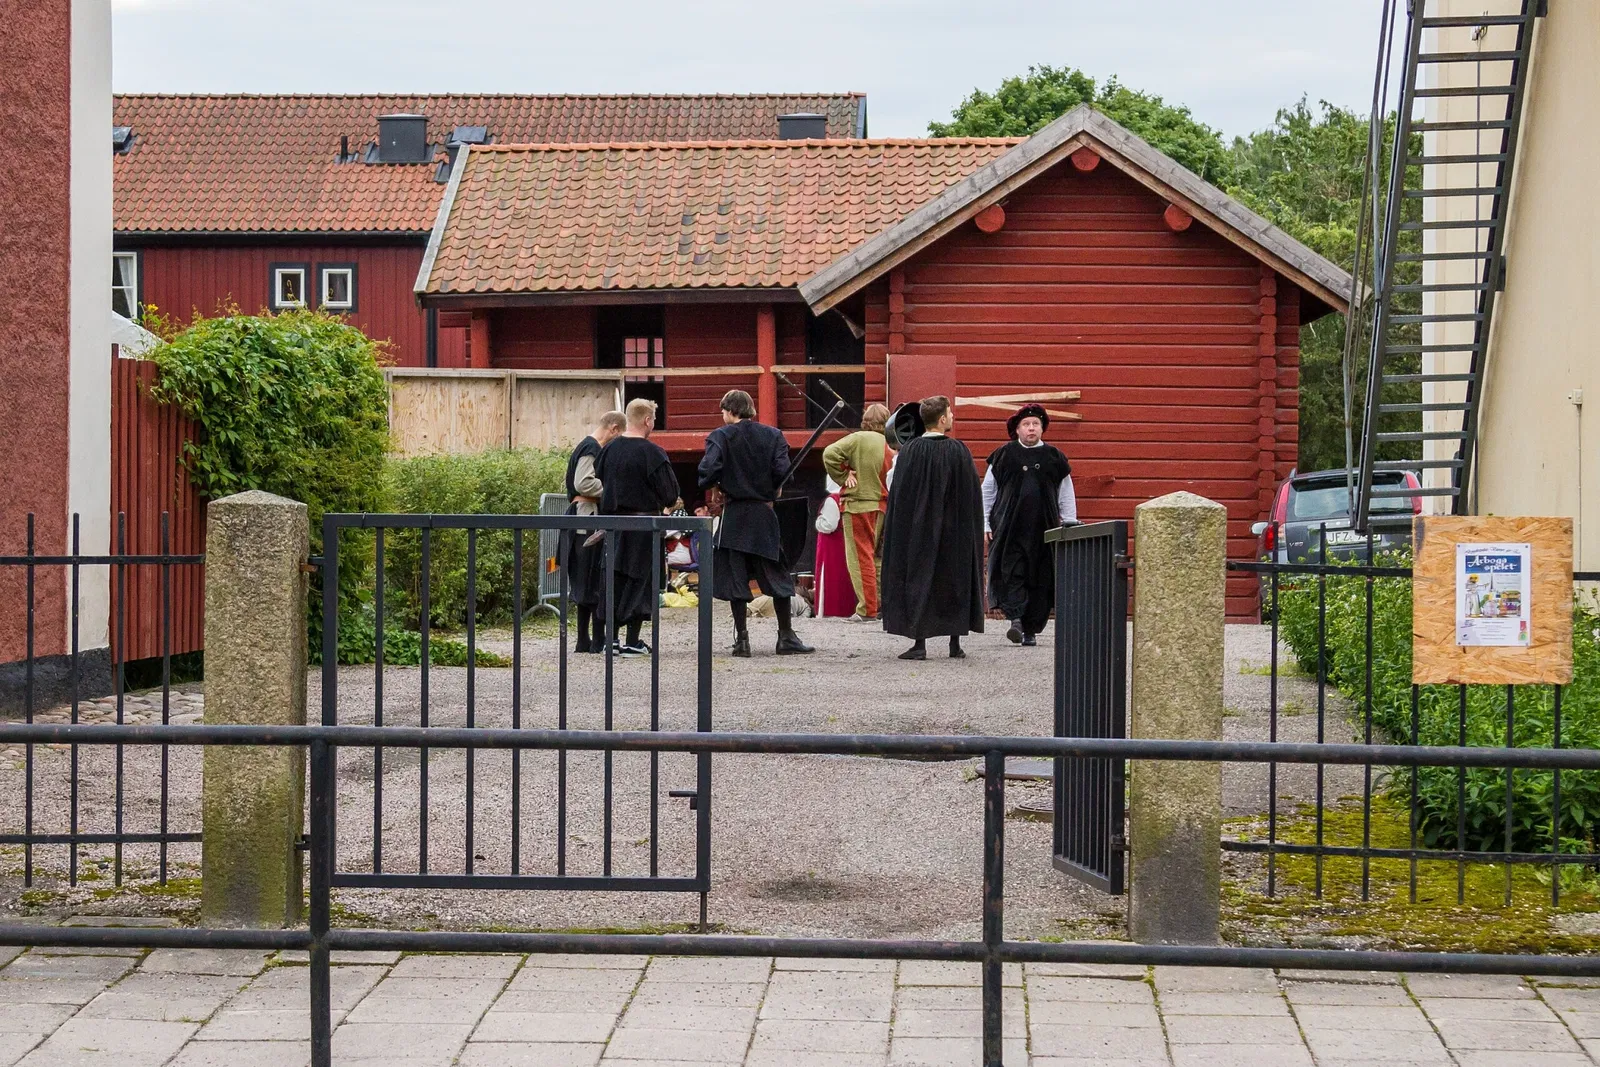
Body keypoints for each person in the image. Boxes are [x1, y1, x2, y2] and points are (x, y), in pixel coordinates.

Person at [697, 389, 813, 657]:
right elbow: (784, 472)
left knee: (737, 578)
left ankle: (742, 641)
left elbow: (708, 471)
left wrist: (715, 484)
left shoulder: (720, 436)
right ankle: (786, 636)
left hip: (735, 515)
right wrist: (774, 486)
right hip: (763, 514)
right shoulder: (773, 435)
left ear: (728, 411)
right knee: (778, 575)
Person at [878, 395, 985, 660]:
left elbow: (898, 494)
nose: (952, 417)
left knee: (919, 577)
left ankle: (919, 643)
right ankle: (954, 642)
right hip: (955, 531)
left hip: (918, 530)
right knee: (954, 579)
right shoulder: (959, 451)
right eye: (950, 413)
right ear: (942, 419)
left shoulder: (910, 452)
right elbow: (972, 495)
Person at [593, 398, 680, 657]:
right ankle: (632, 639)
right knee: (640, 581)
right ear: (647, 420)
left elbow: (600, 479)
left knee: (613, 579)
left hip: (613, 526)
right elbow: (669, 493)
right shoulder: (652, 453)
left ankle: (612, 639)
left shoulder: (608, 450)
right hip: (643, 527)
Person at [984, 404, 1077, 646]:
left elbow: (1065, 493)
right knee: (1012, 572)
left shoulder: (1054, 458)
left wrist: (1068, 521)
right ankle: (1015, 619)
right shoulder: (1003, 456)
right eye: (1026, 424)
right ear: (1017, 430)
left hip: (1043, 529)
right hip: (1009, 528)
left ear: (1042, 428)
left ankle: (1030, 630)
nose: (1031, 428)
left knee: (1040, 577)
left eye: (1035, 424)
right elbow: (988, 492)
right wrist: (984, 522)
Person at [562, 410, 627, 653]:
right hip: (587, 516)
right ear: (613, 428)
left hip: (581, 516)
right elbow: (583, 482)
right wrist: (612, 486)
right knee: (592, 578)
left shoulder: (583, 446)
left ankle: (585, 639)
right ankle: (593, 639)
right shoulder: (591, 449)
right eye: (618, 435)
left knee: (584, 579)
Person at [821, 403, 893, 620]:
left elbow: (829, 454)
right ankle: (880, 606)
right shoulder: (890, 444)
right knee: (877, 559)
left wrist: (843, 476)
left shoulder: (857, 439)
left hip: (858, 504)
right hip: (882, 505)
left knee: (860, 559)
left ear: (866, 421)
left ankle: (866, 609)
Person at [811, 477, 856, 618]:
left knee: (830, 579)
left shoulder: (833, 499)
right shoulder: (850, 497)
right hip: (844, 543)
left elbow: (829, 525)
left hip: (831, 548)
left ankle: (830, 612)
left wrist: (818, 522)